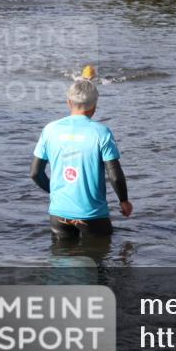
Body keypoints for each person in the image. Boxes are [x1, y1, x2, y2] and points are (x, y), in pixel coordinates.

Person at [31, 79, 132, 239]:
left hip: (59, 214)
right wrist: (124, 201)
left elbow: (36, 173)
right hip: (92, 215)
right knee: (99, 258)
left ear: (68, 102)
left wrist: (56, 192)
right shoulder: (102, 132)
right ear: (94, 106)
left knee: (61, 259)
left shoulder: (50, 130)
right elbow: (114, 174)